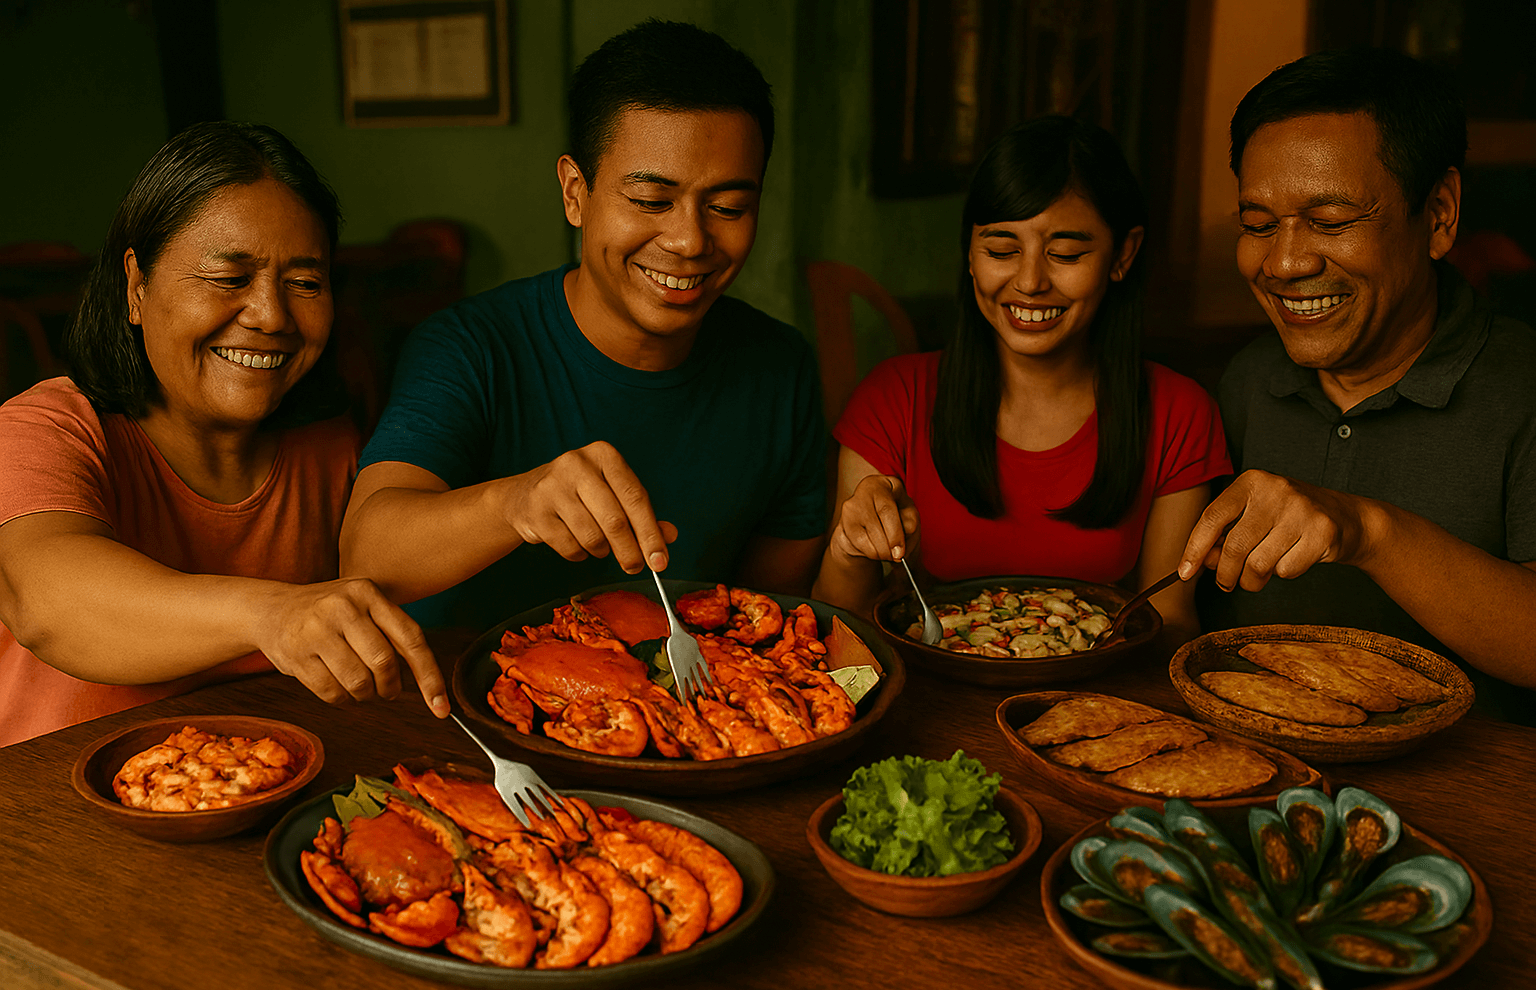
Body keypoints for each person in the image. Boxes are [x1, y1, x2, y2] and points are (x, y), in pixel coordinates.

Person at [340, 20, 827, 630]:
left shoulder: (780, 367)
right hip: (466, 711)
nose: (688, 240)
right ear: (576, 193)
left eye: (729, 207)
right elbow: (365, 553)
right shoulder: (468, 347)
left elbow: (769, 614)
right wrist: (516, 502)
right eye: (651, 202)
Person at [0, 122, 448, 747]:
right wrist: (274, 613)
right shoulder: (48, 427)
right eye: (228, 279)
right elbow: (45, 603)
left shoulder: (328, 447)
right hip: (46, 820)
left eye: (304, 283)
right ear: (137, 286)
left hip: (256, 794)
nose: (270, 315)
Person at [1179, 48, 1536, 716]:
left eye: (1331, 221)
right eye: (1257, 225)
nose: (1283, 262)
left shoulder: (1523, 388)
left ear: (1438, 215)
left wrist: (1368, 530)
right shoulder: (1249, 380)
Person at [813, 116, 1231, 637]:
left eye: (1066, 254)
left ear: (1122, 255)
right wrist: (851, 548)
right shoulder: (893, 399)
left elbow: (1169, 619)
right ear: (969, 252)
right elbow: (841, 629)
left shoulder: (1178, 412)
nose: (1030, 282)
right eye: (1001, 250)